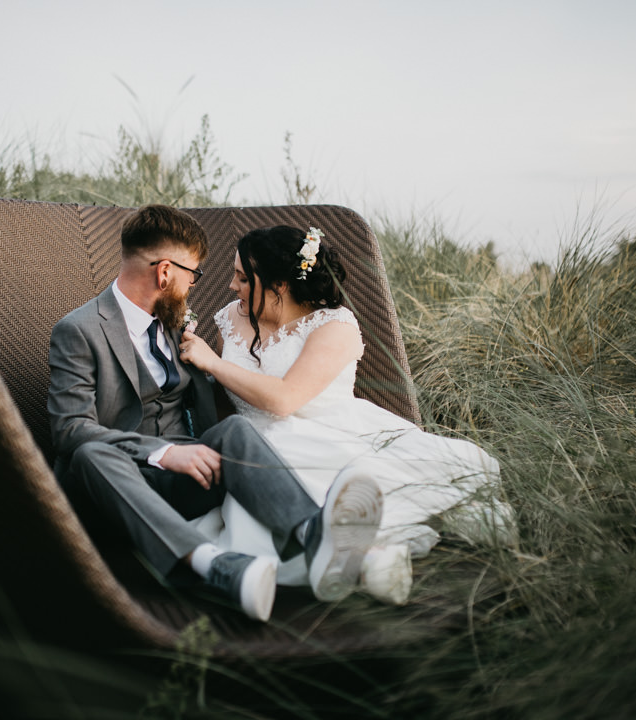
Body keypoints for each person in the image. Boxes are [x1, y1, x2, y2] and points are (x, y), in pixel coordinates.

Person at [48, 206, 385, 622]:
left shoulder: (174, 323)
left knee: (237, 429)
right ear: (165, 273)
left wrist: (211, 449)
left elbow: (203, 403)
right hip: (115, 483)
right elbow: (70, 430)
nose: (196, 284)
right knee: (88, 453)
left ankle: (316, 536)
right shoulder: (78, 330)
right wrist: (163, 454)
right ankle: (213, 567)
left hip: (183, 479)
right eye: (194, 274)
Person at [179, 226, 516, 605]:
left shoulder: (335, 326)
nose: (230, 286)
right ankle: (363, 560)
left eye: (242, 277)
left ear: (279, 285)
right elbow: (230, 400)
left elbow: (286, 399)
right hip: (253, 443)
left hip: (337, 433)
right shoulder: (230, 320)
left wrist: (212, 362)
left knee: (358, 490)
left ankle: (363, 556)